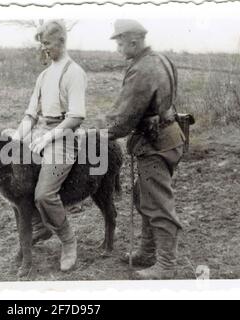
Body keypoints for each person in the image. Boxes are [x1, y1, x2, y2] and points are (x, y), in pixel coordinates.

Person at [102, 19, 185, 279]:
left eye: (119, 42)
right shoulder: (162, 59)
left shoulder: (142, 69)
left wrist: (102, 133)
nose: (118, 49)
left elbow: (124, 118)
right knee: (144, 197)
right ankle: (148, 252)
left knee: (158, 205)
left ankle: (166, 265)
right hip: (169, 138)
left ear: (134, 40)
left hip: (154, 145)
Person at [10, 20, 87, 272]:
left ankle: (68, 241)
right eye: (42, 44)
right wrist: (18, 137)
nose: (44, 49)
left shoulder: (74, 72)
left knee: (44, 194)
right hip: (39, 132)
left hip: (63, 137)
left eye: (48, 44)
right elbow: (31, 114)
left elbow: (76, 116)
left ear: (61, 42)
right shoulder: (43, 76)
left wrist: (49, 136)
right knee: (18, 183)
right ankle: (41, 225)